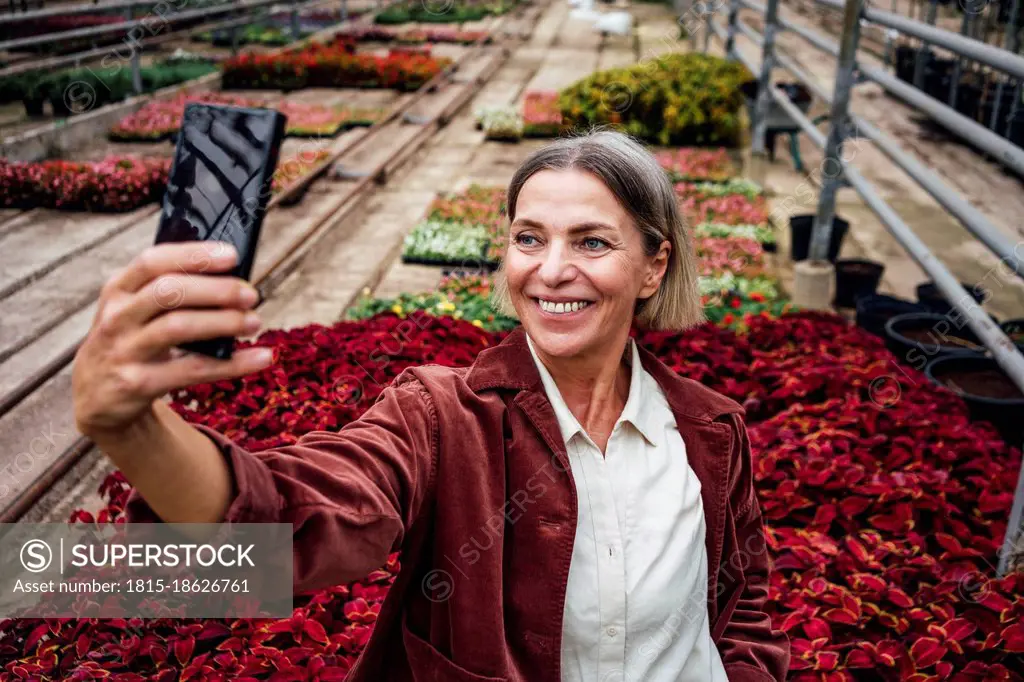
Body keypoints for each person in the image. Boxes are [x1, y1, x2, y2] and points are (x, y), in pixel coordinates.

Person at [72, 130, 790, 682]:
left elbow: (740, 603)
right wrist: (135, 430)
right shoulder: (443, 416)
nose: (551, 270)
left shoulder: (708, 430)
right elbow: (294, 522)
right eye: (528, 238)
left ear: (653, 266)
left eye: (593, 242)